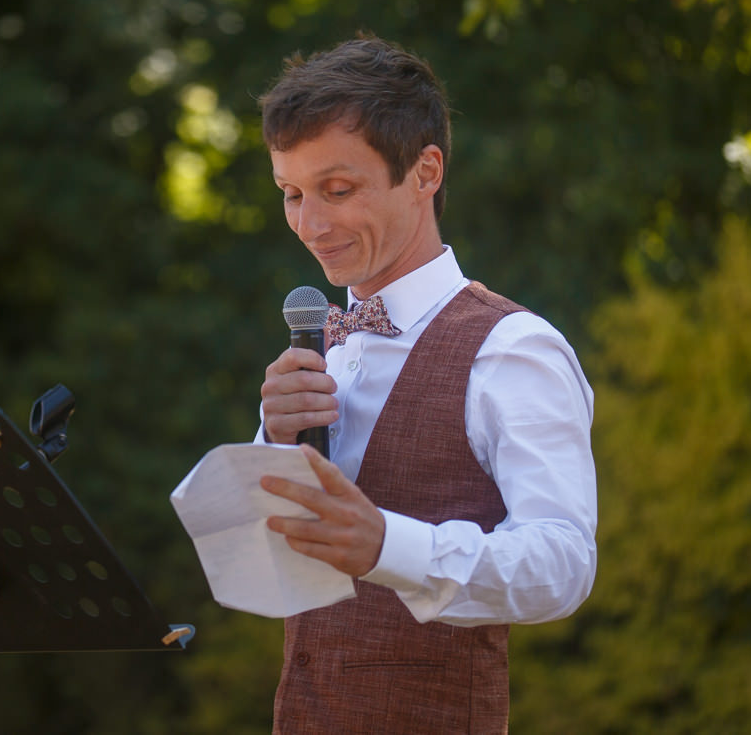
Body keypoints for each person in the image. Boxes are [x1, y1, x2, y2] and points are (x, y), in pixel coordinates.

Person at [254, 36, 597, 734]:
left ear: (425, 170)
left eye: (337, 189)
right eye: (291, 193)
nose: (310, 224)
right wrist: (270, 445)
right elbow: (268, 574)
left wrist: (388, 545)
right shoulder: (322, 344)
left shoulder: (511, 348)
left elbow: (563, 563)